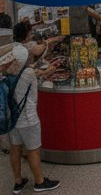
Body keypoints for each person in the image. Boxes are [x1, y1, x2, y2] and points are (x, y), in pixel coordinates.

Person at [0, 45, 60, 192]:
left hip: (12, 119)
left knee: (16, 149)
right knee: (33, 150)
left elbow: (30, 68)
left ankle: (18, 181)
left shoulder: (5, 72)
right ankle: (40, 182)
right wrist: (51, 69)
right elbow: (41, 71)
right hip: (28, 119)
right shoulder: (28, 73)